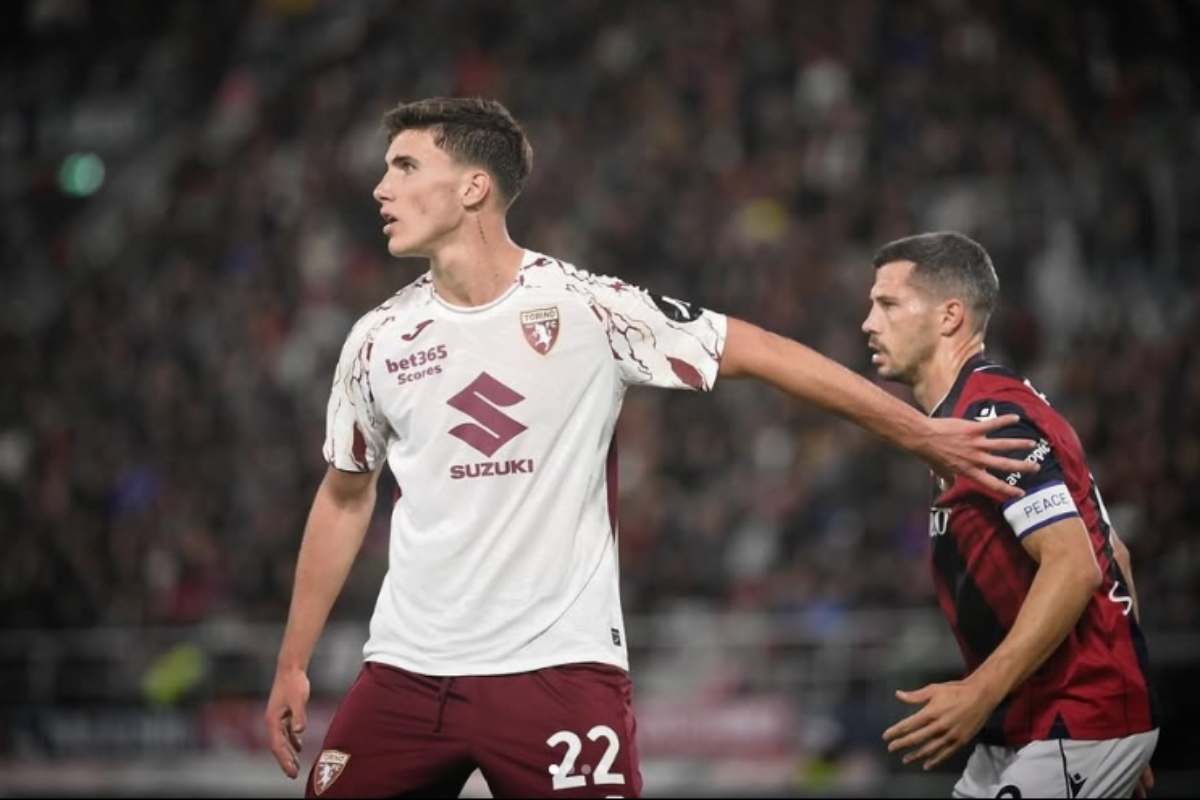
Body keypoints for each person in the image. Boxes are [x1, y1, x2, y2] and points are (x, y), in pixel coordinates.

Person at [263, 98, 1037, 798]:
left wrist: (919, 431)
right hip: (407, 673)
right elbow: (344, 496)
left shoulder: (590, 310)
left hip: (556, 671)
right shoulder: (377, 340)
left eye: (404, 166)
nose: (380, 188)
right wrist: (294, 662)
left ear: (473, 188)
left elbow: (762, 352)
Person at [862, 232, 1158, 798]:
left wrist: (980, 693)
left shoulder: (991, 416)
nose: (869, 323)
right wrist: (1127, 716)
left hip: (1072, 717)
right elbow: (1113, 551)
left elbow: (1075, 565)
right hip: (1035, 727)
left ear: (950, 316)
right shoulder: (966, 416)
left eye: (888, 304)